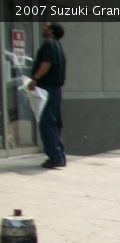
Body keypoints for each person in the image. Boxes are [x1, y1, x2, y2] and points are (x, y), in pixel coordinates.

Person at [28, 22, 66, 169]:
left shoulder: (49, 44)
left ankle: (55, 157)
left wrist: (34, 79)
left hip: (46, 89)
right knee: (54, 123)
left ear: (51, 31)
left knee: (47, 123)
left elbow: (46, 64)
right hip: (55, 89)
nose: (43, 28)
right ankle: (59, 155)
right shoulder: (58, 46)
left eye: (46, 27)